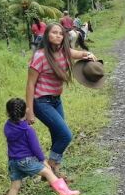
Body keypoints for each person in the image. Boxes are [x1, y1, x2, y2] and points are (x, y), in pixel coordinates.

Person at [26, 23, 97, 181]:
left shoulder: (64, 52)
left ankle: (55, 172)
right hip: (41, 101)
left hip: (56, 101)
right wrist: (29, 110)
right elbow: (30, 84)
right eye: (54, 33)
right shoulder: (40, 56)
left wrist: (88, 55)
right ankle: (50, 167)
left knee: (57, 135)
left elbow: (79, 54)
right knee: (65, 135)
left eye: (60, 33)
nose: (58, 35)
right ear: (47, 36)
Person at [2, 98, 80, 195]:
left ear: (8, 113)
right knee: (48, 172)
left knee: (14, 186)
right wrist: (44, 161)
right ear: (26, 111)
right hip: (26, 160)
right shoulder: (28, 130)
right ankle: (65, 192)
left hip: (13, 161)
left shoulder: (7, 126)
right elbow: (36, 148)